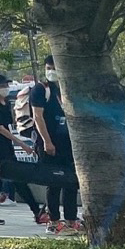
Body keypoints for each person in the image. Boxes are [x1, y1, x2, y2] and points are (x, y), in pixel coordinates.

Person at [0, 74, 45, 226]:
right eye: (2, 86)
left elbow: (9, 125)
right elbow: (0, 129)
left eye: (6, 85)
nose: (5, 88)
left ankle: (36, 211)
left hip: (6, 147)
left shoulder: (6, 103)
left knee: (16, 178)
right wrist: (22, 144)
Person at [32, 55, 81, 234]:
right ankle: (53, 221)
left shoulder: (65, 89)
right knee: (53, 183)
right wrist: (47, 141)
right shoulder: (40, 89)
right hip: (50, 143)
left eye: (54, 68)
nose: (51, 71)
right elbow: (37, 117)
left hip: (67, 143)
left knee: (71, 182)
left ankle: (71, 219)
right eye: (48, 68)